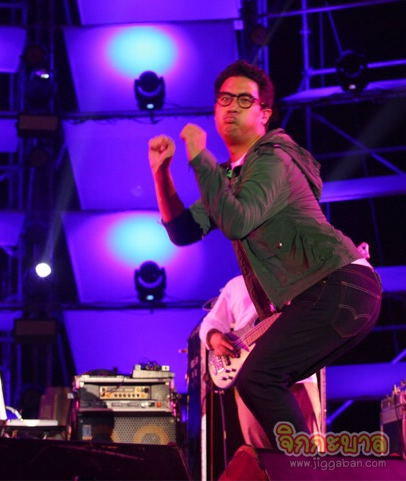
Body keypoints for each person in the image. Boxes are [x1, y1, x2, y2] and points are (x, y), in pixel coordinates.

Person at [148, 59, 382, 447]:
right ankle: (303, 466)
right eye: (225, 99)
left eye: (245, 100)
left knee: (259, 378)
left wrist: (200, 157)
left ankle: (303, 471)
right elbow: (183, 230)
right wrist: (161, 174)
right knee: (264, 379)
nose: (232, 107)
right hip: (333, 294)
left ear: (264, 114)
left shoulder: (273, 159)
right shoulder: (232, 180)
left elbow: (237, 221)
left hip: (340, 286)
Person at [200, 274, 322, 449]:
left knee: (309, 448)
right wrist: (214, 337)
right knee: (260, 452)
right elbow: (211, 322)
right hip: (248, 374)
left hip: (297, 373)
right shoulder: (236, 285)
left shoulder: (298, 275)